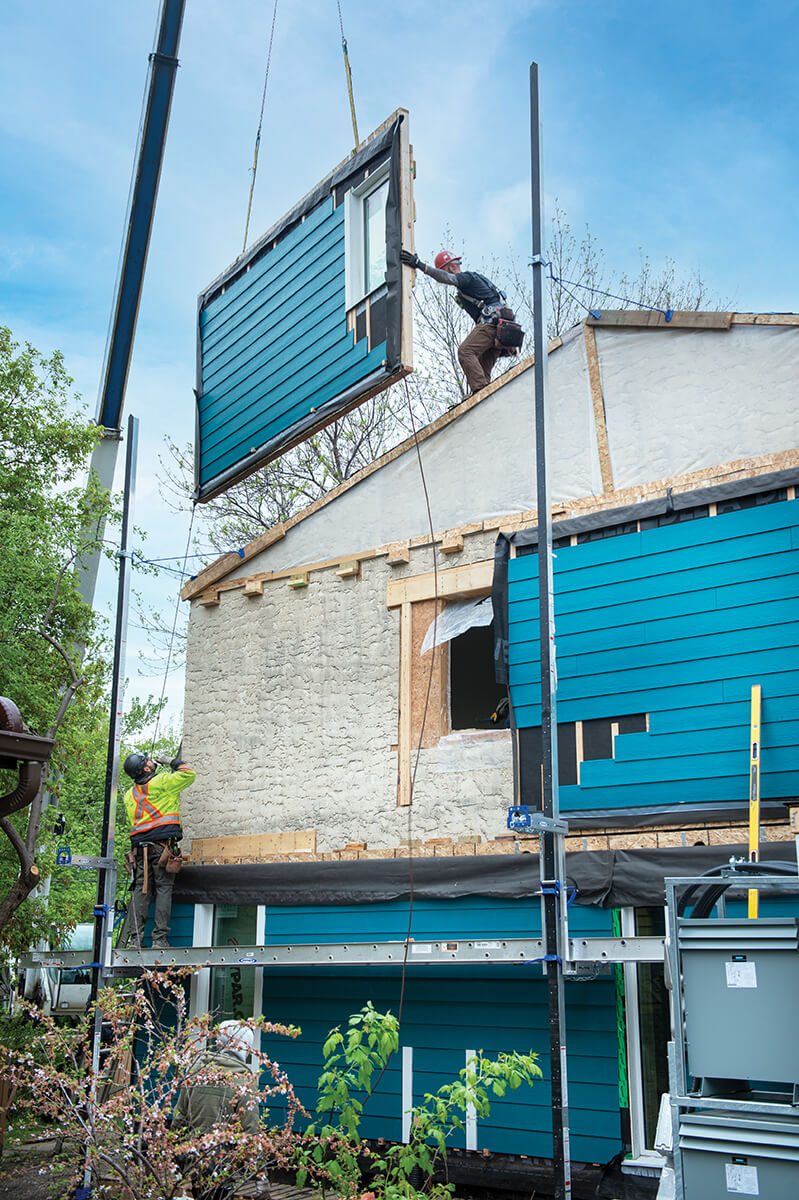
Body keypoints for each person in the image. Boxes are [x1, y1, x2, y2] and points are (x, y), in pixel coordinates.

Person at [400, 249, 516, 394]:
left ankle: (482, 393)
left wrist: (419, 265)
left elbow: (448, 278)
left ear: (452, 267)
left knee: (465, 351)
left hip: (492, 324)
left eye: (443, 270)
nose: (442, 275)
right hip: (501, 328)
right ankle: (486, 397)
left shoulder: (466, 278)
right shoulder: (471, 284)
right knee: (480, 368)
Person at [173, 1021, 267, 1200]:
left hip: (194, 1157)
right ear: (243, 1047)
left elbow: (180, 1117)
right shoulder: (244, 1081)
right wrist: (260, 1177)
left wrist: (176, 1156)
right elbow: (250, 1131)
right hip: (223, 1162)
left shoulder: (196, 1071)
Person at [121, 749, 195, 950]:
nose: (151, 760)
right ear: (146, 768)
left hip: (140, 850)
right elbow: (189, 774)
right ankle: (159, 940)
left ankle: (135, 940)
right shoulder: (162, 782)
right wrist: (170, 761)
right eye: (148, 760)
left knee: (141, 890)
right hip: (161, 847)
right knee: (163, 888)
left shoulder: (129, 795)